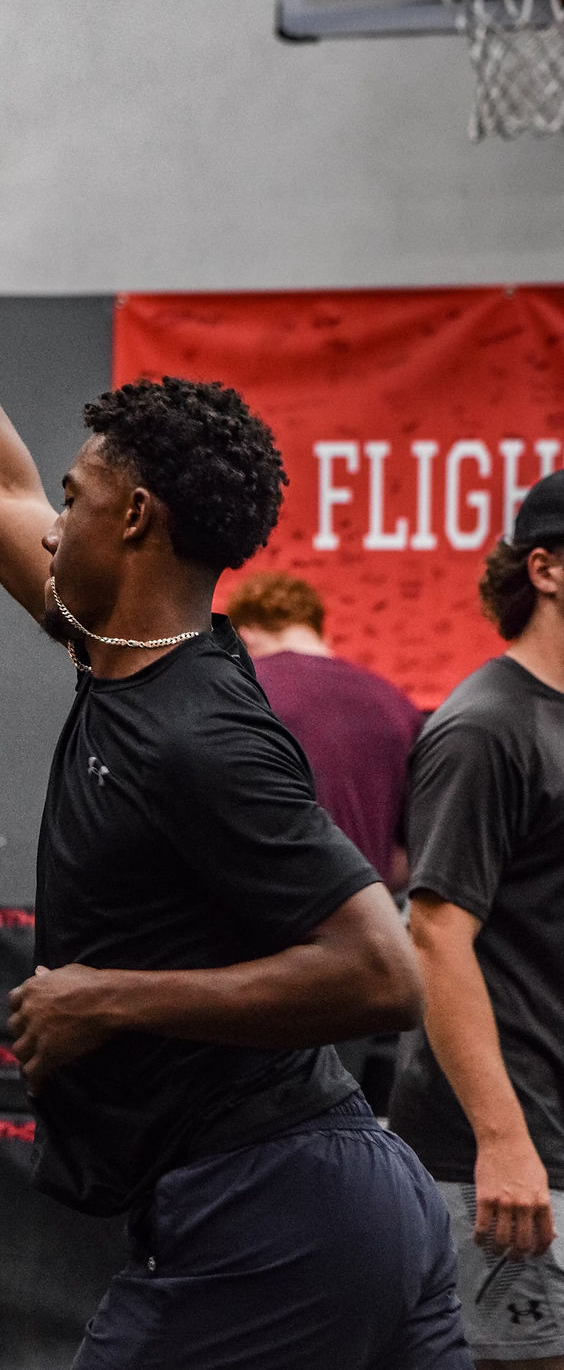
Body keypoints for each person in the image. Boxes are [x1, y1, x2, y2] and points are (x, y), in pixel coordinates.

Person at [0, 146, 471, 1368]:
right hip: (323, 1206)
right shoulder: (118, 655)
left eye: (78, 495)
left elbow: (382, 975)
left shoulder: (200, 734)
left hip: (275, 1213)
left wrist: (104, 996)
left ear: (134, 518)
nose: (56, 514)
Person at [389, 470, 564, 1370]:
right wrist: (503, 1142)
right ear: (546, 568)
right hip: (505, 1159)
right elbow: (435, 936)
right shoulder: (487, 728)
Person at [228, 570, 423, 894]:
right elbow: (413, 854)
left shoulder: (239, 691)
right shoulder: (395, 704)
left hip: (264, 924)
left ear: (244, 635)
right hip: (369, 926)